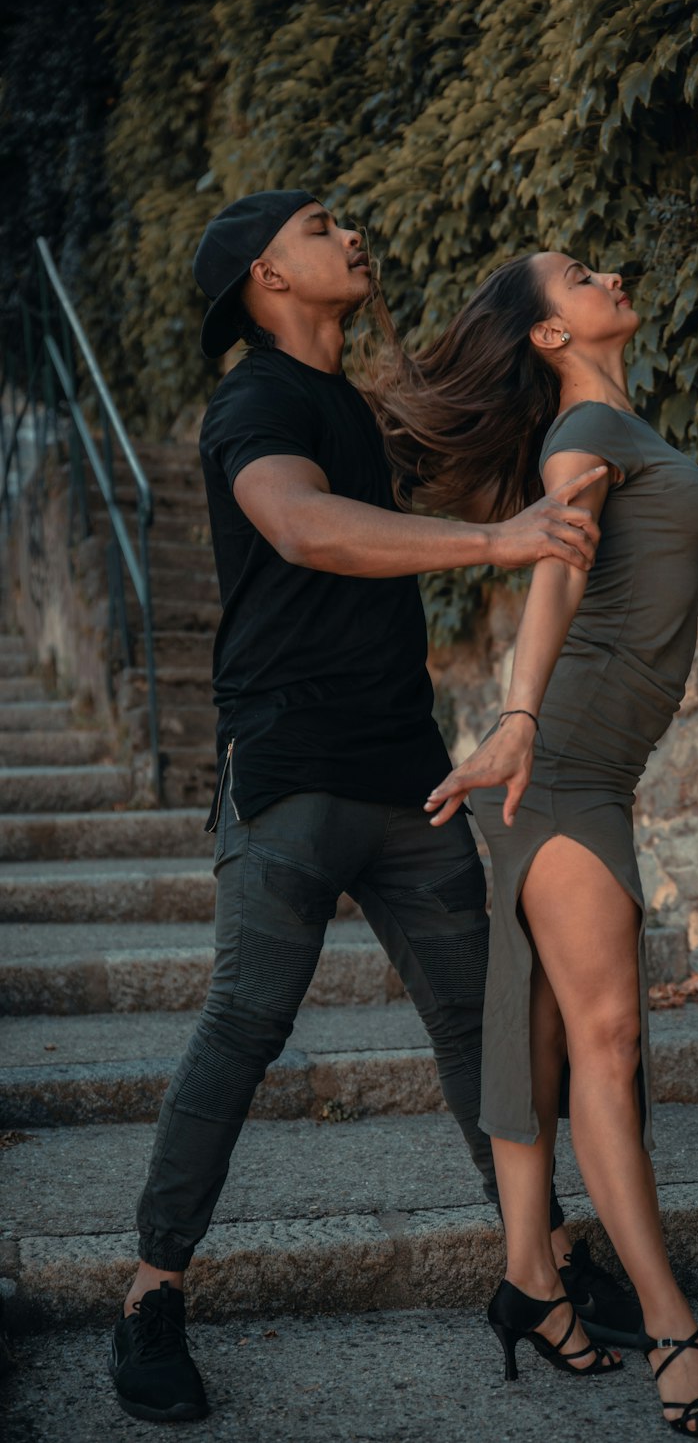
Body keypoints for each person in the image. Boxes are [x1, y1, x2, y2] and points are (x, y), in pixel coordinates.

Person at [106, 190, 643, 1425]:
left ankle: (543, 1265)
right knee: (242, 1027)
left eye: (346, 222)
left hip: (408, 773)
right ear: (262, 276)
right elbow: (301, 527)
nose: (350, 236)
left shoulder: (357, 405)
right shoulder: (256, 400)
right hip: (289, 772)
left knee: (487, 1027)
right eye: (318, 227)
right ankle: (149, 1298)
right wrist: (495, 545)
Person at [368, 252, 698, 1437]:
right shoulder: (582, 429)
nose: (615, 271)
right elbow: (552, 575)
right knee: (608, 1038)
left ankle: (532, 1284)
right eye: (581, 274)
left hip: (589, 768)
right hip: (563, 766)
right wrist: (519, 720)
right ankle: (671, 1326)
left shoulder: (613, 418)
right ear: (545, 334)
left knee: (542, 1034)